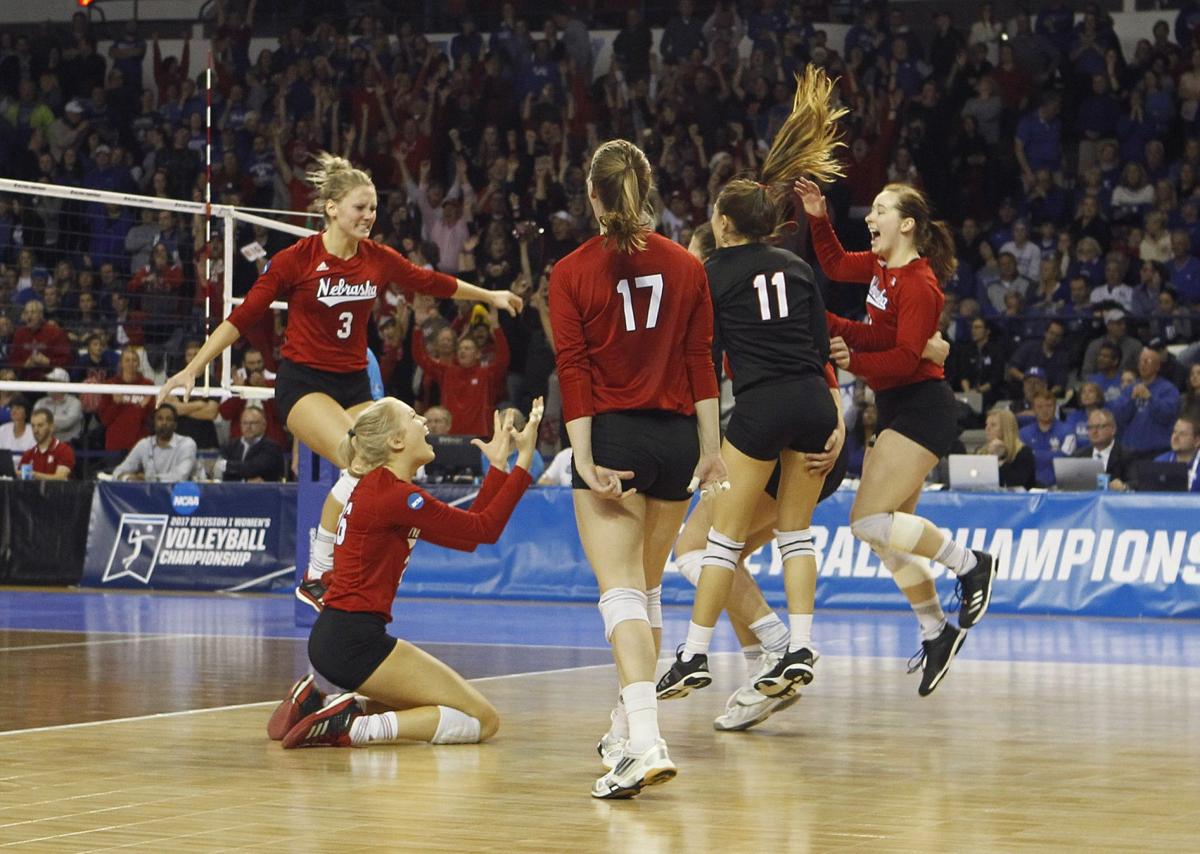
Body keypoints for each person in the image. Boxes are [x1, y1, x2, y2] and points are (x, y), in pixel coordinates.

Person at [156, 153, 522, 606]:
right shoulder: (297, 260)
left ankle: (363, 563)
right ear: (331, 208)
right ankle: (316, 573)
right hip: (304, 383)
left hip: (353, 382)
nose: (369, 216)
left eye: (373, 208)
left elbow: (430, 282)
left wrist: (490, 295)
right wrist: (195, 367)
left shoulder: (376, 258)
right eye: (360, 208)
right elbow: (244, 315)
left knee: (395, 455)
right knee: (361, 457)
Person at [656, 67, 849, 711]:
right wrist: (837, 419)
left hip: (761, 406)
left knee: (720, 542)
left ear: (722, 223)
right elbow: (821, 350)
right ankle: (800, 646)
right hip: (815, 405)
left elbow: (704, 364)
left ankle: (692, 654)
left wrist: (708, 441)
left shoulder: (710, 274)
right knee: (796, 535)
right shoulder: (797, 265)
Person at [548, 138, 725, 799]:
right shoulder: (686, 265)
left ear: (592, 194)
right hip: (677, 441)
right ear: (646, 191)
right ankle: (626, 728)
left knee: (620, 592)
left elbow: (574, 370)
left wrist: (584, 456)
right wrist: (711, 449)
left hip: (614, 436)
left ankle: (646, 743)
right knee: (647, 592)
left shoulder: (571, 271)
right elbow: (702, 361)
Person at [795, 171, 997, 697]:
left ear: (907, 224)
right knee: (885, 537)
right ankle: (935, 632)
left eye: (881, 209)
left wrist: (852, 358)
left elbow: (906, 359)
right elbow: (836, 266)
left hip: (922, 407)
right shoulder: (882, 267)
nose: (870, 216)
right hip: (897, 404)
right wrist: (819, 220)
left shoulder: (920, 285)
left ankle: (970, 563)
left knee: (867, 521)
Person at [269, 398, 541, 751]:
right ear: (396, 441)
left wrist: (498, 467)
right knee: (483, 720)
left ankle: (318, 706)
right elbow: (484, 530)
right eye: (413, 417)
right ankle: (353, 728)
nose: (424, 422)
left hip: (340, 637)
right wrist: (524, 460)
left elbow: (469, 538)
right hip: (353, 641)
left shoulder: (383, 490)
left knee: (429, 707)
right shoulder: (394, 496)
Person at [1110, 347, 1181, 460]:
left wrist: (1150, 399)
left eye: (1147, 361)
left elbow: (1167, 416)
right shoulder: (1130, 388)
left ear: (1157, 366)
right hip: (1130, 451)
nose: (1143, 365)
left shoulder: (1168, 389)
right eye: (1141, 361)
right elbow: (1119, 417)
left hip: (1158, 452)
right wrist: (1131, 401)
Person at [111, 403, 197, 482]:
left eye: (169, 419)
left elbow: (180, 477)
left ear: (175, 425)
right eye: (160, 419)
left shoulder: (186, 444)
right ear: (154, 423)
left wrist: (147, 479)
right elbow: (118, 472)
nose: (164, 423)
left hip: (177, 492)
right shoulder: (144, 444)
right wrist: (128, 478)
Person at [1019, 389, 1077, 487]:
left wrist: (1034, 453)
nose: (1045, 410)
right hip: (1030, 487)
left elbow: (1065, 458)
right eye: (1040, 406)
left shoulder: (1068, 431)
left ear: (1055, 407)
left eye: (1049, 406)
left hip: (1060, 487)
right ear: (1033, 409)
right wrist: (1054, 454)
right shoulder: (1023, 433)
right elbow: (1022, 460)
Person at [218, 404, 285, 482]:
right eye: (245, 423)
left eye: (253, 423)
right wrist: (245, 481)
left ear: (264, 424)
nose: (248, 427)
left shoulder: (272, 447)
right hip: (231, 489)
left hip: (264, 489)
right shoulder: (229, 446)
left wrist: (227, 466)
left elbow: (255, 468)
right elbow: (221, 471)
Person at [1072, 407, 1131, 489]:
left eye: (1099, 427)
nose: (1094, 432)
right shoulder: (1079, 456)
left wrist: (1123, 487)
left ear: (1113, 429)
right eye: (1090, 427)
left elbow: (1134, 484)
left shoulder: (1126, 456)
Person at [977, 408, 1035, 489]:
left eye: (993, 425)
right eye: (986, 424)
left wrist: (1001, 460)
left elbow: (1017, 484)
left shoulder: (1023, 452)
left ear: (1005, 429)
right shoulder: (981, 452)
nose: (987, 428)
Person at [19, 409, 74, 480]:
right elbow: (21, 479)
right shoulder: (28, 454)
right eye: (33, 426)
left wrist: (34, 474)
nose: (35, 430)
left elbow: (60, 478)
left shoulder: (64, 450)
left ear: (51, 427)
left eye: (40, 425)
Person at [33, 366, 84, 444]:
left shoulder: (74, 403)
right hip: (44, 443)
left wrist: (44, 422)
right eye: (48, 381)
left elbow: (67, 423)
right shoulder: (40, 402)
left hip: (68, 445)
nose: (49, 384)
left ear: (63, 384)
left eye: (52, 381)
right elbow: (35, 422)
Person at [0, 397, 36, 468]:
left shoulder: (33, 431)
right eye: (12, 408)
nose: (14, 411)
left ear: (26, 413)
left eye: (18, 408)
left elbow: (34, 458)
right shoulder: (2, 429)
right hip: (5, 470)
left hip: (27, 470)